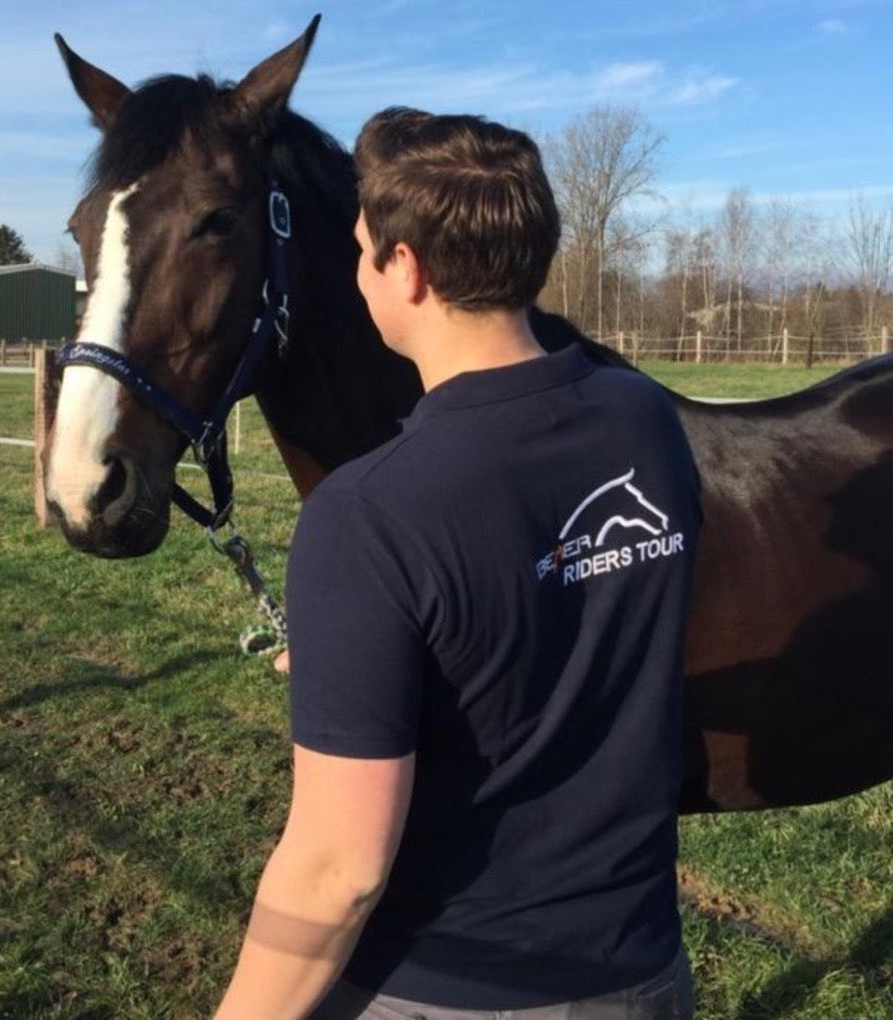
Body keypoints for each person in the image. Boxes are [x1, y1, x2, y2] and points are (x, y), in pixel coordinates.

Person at [214, 107, 701, 1020]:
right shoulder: (645, 420)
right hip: (645, 973)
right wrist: (363, 655)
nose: (359, 273)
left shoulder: (365, 514)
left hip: (449, 991)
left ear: (407, 268)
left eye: (363, 251)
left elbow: (339, 872)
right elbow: (566, 606)